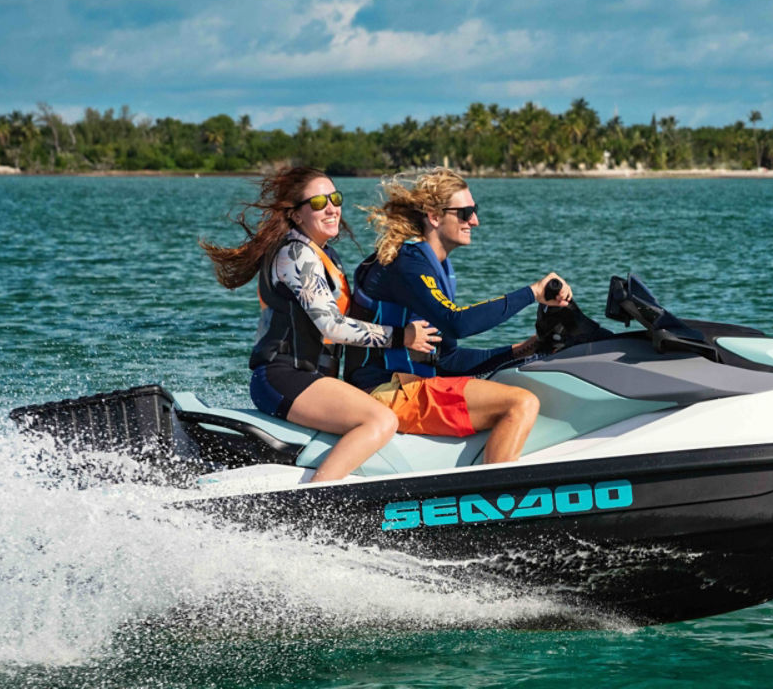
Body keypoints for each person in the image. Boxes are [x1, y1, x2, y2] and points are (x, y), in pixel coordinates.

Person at [200, 167, 440, 482]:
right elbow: (331, 326)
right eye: (317, 202)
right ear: (297, 216)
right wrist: (402, 336)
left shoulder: (325, 255)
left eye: (335, 198)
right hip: (285, 376)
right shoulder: (296, 254)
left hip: (311, 378)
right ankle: (318, 499)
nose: (331, 208)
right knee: (380, 420)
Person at [347, 167, 572, 464]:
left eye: (474, 211)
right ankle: (496, 500)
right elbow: (459, 322)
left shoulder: (437, 267)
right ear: (435, 216)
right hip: (384, 390)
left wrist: (521, 350)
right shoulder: (409, 263)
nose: (475, 221)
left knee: (520, 383)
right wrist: (532, 292)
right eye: (465, 213)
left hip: (409, 383)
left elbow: (447, 360)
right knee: (520, 403)